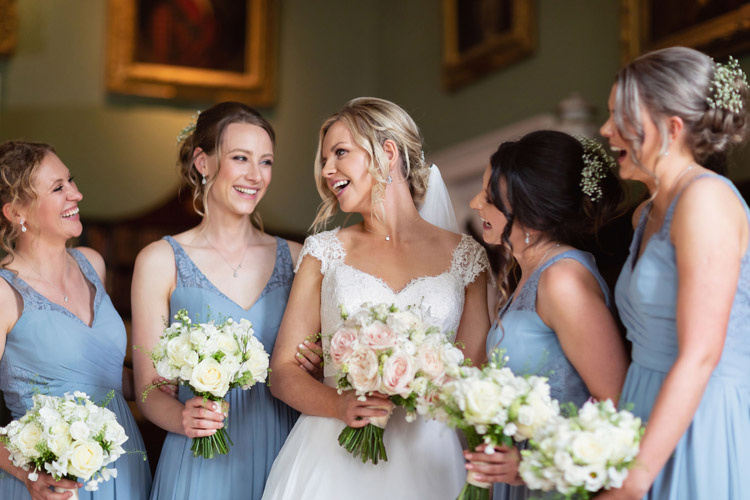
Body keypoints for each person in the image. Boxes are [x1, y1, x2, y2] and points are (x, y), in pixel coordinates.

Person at [261, 97, 491, 499]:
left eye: (340, 153)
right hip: (331, 455)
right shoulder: (323, 251)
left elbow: (473, 376)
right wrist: (339, 404)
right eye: (325, 159)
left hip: (431, 458)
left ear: (387, 152)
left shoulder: (467, 256)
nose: (327, 170)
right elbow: (282, 372)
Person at [596, 47, 750, 499]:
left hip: (700, 415)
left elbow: (701, 353)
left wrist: (636, 478)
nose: (606, 130)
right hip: (643, 407)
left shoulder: (706, 201)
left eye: (620, 116)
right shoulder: (644, 213)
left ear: (671, 127)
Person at [131, 102, 301, 500]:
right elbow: (147, 389)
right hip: (198, 461)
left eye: (266, 162)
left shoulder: (296, 258)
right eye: (240, 158)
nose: (255, 176)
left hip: (284, 452)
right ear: (203, 162)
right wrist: (184, 418)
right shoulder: (160, 260)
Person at [464, 130, 630, 499]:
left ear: (533, 215)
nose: (476, 203)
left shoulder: (562, 280)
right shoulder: (526, 276)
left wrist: (531, 466)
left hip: (552, 482)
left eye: (491, 198)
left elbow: (616, 407)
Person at [0, 141, 151, 499]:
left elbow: (100, 375)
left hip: (123, 466)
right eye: (58, 188)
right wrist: (26, 475)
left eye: (71, 181)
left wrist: (159, 383)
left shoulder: (91, 263)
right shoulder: (4, 292)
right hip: (49, 481)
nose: (77, 194)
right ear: (16, 212)